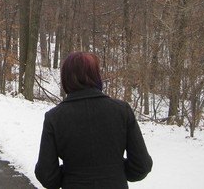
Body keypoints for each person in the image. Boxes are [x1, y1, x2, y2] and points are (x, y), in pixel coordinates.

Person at [35, 51, 152, 189]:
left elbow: (46, 174)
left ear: (66, 78)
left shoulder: (55, 117)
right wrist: (114, 172)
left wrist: (71, 176)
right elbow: (141, 166)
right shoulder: (121, 111)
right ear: (96, 75)